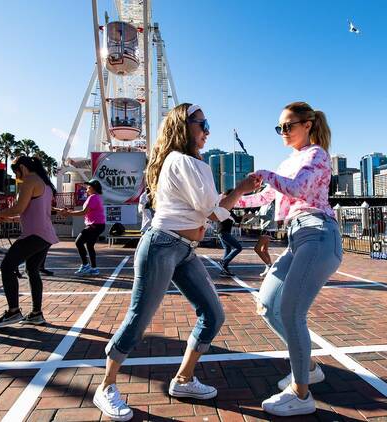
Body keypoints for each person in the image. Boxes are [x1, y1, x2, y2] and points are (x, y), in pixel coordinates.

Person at [92, 103, 260, 421]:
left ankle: (183, 380)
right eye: (202, 123)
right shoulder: (181, 160)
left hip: (185, 250)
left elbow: (211, 209)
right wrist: (240, 190)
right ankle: (106, 386)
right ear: (184, 126)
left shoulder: (193, 163)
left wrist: (238, 196)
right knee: (139, 319)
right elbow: (211, 209)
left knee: (213, 314)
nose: (207, 129)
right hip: (162, 246)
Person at [236, 101, 341, 417]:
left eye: (288, 126)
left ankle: (300, 393)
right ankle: (307, 367)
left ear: (307, 125)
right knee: (268, 305)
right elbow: (264, 198)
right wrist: (226, 199)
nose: (283, 131)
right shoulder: (288, 162)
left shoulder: (317, 155)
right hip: (298, 239)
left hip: (319, 233)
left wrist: (265, 173)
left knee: (292, 311)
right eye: (279, 127)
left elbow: (298, 189)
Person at [0, 156, 59, 327]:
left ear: (22, 167)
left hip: (34, 235)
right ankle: (36, 314)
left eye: (16, 171)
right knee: (32, 270)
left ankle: (13, 311)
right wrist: (8, 218)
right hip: (45, 235)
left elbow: (19, 207)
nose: (16, 176)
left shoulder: (29, 181)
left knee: (7, 267)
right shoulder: (45, 183)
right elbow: (29, 212)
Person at [59, 180, 106, 276]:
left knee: (78, 242)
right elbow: (85, 211)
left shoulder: (93, 197)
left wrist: (68, 213)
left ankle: (85, 265)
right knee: (89, 246)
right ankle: (94, 268)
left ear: (93, 188)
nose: (86, 188)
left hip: (94, 225)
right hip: (98, 225)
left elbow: (83, 212)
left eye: (88, 186)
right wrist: (69, 211)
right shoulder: (96, 197)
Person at [216, 189, 243, 277]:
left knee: (228, 249)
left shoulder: (229, 210)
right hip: (223, 233)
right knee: (238, 248)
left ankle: (224, 270)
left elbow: (238, 220)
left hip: (223, 232)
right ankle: (223, 262)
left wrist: (246, 216)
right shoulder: (223, 207)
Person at [254, 201, 277, 277]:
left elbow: (270, 217)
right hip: (265, 228)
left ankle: (269, 266)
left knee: (257, 249)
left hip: (269, 229)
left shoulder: (272, 205)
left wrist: (258, 216)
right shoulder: (263, 205)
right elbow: (259, 216)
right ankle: (269, 268)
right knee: (264, 250)